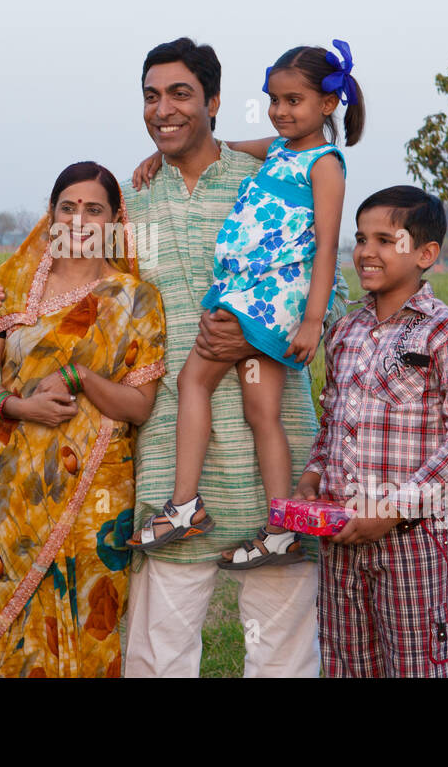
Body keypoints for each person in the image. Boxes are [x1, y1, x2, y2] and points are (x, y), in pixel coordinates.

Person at [0, 37, 346, 677]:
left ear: (215, 102)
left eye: (180, 94)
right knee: (158, 647)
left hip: (275, 427)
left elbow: (328, 294)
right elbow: (52, 280)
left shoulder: (275, 176)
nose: (163, 109)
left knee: (282, 644)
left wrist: (259, 336)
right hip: (169, 449)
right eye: (151, 96)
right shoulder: (129, 203)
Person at [125, 42, 363, 571]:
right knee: (264, 415)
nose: (280, 112)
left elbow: (327, 250)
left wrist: (309, 320)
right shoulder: (275, 151)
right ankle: (280, 528)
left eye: (293, 101)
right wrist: (162, 153)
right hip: (250, 314)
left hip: (260, 305)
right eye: (274, 101)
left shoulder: (321, 166)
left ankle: (186, 506)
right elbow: (224, 142)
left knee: (194, 381)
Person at [0, 162, 166, 677]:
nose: (78, 220)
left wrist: (81, 377)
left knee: (92, 622)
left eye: (93, 210)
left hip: (98, 491)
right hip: (14, 488)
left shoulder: (137, 298)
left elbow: (139, 407)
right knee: (10, 617)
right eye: (67, 207)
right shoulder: (8, 287)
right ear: (50, 215)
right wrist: (22, 407)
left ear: (115, 220)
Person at [295, 186, 448, 677]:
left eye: (386, 239)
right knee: (343, 657)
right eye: (361, 239)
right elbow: (333, 417)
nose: (366, 252)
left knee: (412, 662)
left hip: (413, 536)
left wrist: (396, 508)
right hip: (342, 530)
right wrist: (314, 474)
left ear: (425, 254)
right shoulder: (344, 331)